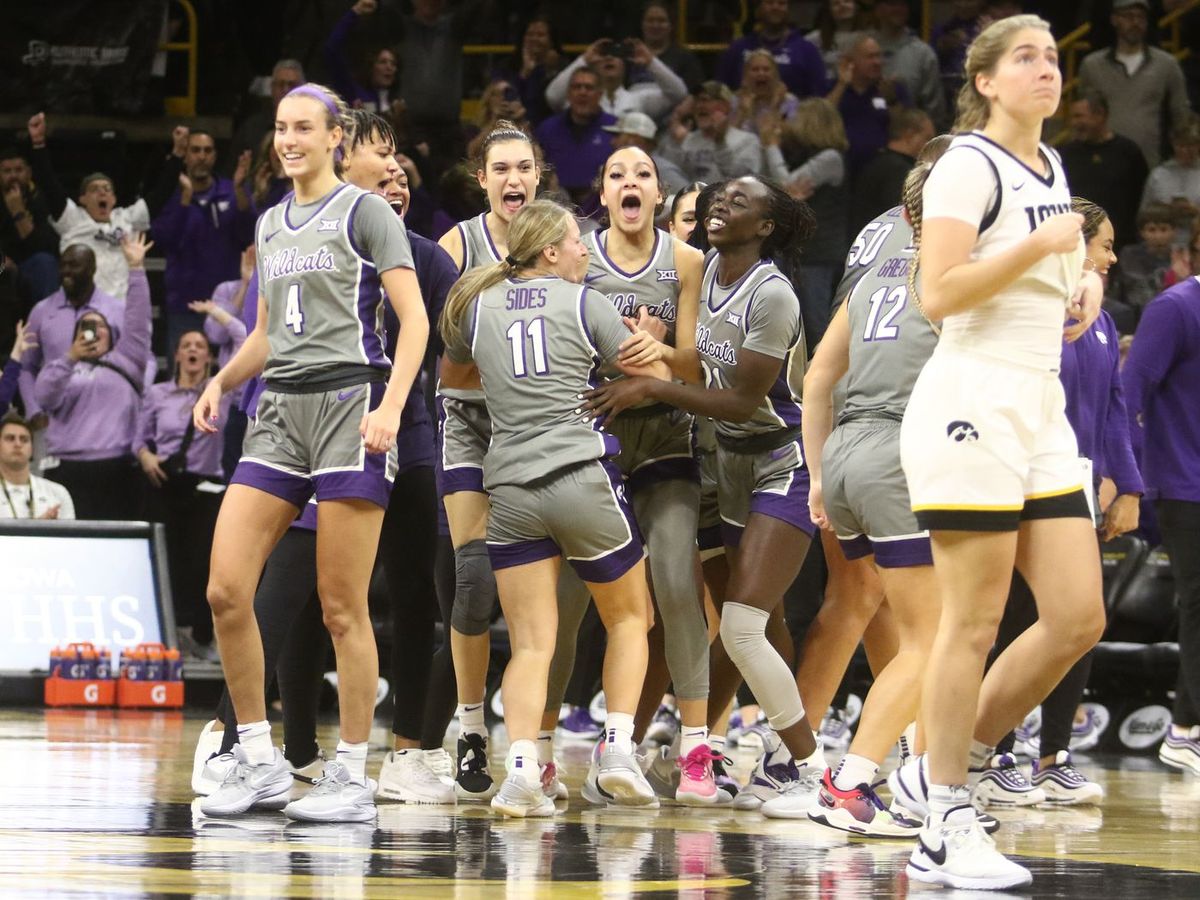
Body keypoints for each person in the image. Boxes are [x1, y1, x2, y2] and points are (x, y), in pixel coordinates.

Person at [892, 16, 1104, 890]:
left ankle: (947, 762)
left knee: (1077, 615)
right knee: (971, 622)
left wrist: (1080, 278)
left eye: (1053, 57)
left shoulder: (1052, 167)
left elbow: (1039, 268)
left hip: (1038, 401)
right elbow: (936, 293)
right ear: (984, 81)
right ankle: (943, 820)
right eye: (1026, 58)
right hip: (970, 398)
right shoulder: (965, 165)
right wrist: (1041, 248)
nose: (1046, 70)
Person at [191, 83, 429, 824]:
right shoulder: (270, 221)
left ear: (336, 136)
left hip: (350, 403)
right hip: (279, 411)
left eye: (303, 128)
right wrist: (224, 381)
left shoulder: (365, 213)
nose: (288, 139)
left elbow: (415, 319)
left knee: (339, 605)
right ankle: (260, 761)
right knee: (226, 590)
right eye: (279, 128)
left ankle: (352, 773)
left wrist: (390, 407)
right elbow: (268, 330)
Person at [583, 174, 827, 818]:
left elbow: (744, 400)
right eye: (718, 199)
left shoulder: (772, 294)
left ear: (767, 227)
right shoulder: (704, 269)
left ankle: (811, 768)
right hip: (721, 466)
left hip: (778, 462)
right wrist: (654, 350)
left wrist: (653, 387)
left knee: (745, 626)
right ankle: (721, 749)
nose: (721, 206)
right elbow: (689, 358)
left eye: (739, 203)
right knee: (756, 624)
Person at [439, 198, 662, 817]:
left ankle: (519, 775)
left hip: (508, 487)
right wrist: (654, 343)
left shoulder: (477, 305)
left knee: (532, 645)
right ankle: (616, 748)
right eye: (577, 242)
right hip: (581, 476)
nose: (587, 251)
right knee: (629, 619)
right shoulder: (588, 302)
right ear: (550, 252)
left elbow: (455, 377)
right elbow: (644, 371)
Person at [801, 136, 951, 837]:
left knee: (890, 619)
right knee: (937, 635)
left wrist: (820, 473)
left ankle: (922, 775)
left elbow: (818, 376)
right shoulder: (952, 270)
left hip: (848, 451)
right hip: (899, 448)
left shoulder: (872, 272)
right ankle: (852, 781)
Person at [977, 198, 1140, 808]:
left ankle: (1055, 754)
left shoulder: (1098, 316)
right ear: (1075, 245)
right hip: (1021, 478)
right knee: (1017, 618)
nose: (1112, 256)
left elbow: (1115, 403)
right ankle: (994, 753)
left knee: (1077, 622)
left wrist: (1123, 481)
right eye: (1103, 245)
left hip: (1077, 481)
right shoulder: (1033, 308)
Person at [577, 146, 711, 803]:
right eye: (616, 175)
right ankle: (542, 750)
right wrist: (624, 353)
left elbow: (693, 371)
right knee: (573, 601)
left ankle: (694, 753)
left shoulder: (686, 262)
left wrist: (652, 355)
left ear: (659, 195)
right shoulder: (574, 255)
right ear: (601, 194)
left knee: (678, 581)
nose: (631, 183)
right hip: (591, 440)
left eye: (643, 175)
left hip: (664, 438)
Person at [436, 121, 542, 802]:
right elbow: (448, 366)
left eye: (524, 168)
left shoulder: (563, 242)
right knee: (474, 579)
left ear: (539, 177)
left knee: (546, 598)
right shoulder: (457, 246)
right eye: (501, 168)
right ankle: (471, 723)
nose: (514, 179)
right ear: (483, 179)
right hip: (471, 422)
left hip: (538, 431)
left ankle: (541, 739)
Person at [1123, 222, 1200, 778]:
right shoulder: (1175, 308)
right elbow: (1130, 393)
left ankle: (1183, 728)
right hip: (1185, 483)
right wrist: (1127, 476)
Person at [33, 235, 153, 521]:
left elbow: (137, 320)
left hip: (116, 466)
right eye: (85, 327)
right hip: (66, 468)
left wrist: (136, 268)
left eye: (100, 327)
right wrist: (70, 357)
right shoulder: (62, 367)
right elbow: (44, 396)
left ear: (113, 334)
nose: (93, 332)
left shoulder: (126, 359)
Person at [137, 330, 234, 658]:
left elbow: (241, 340)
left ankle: (202, 636)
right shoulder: (157, 393)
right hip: (165, 484)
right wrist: (145, 456)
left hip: (203, 489)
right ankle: (168, 635)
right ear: (176, 355)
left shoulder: (221, 392)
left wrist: (220, 318)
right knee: (166, 559)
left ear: (208, 357)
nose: (193, 350)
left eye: (200, 346)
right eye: (186, 345)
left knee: (203, 563)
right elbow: (137, 437)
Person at [150, 128, 256, 355]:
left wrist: (240, 192)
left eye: (207, 150)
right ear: (186, 155)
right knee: (183, 379)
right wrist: (185, 201)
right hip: (184, 305)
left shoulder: (231, 190)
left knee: (229, 380)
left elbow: (248, 237)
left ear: (215, 156)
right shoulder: (171, 193)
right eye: (195, 150)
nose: (201, 156)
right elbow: (163, 240)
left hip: (227, 304)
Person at [26, 113, 149, 301]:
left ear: (114, 199)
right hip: (82, 306)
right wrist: (38, 143)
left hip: (122, 307)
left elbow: (159, 197)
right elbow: (49, 184)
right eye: (94, 189)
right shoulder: (73, 219)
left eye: (107, 189)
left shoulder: (127, 218)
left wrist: (178, 155)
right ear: (82, 198)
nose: (102, 193)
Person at [763, 98, 851, 346]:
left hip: (818, 254)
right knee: (791, 323)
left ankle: (827, 382)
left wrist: (771, 146)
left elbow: (785, 186)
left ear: (812, 122)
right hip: (798, 251)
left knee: (815, 325)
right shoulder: (801, 155)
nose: (790, 124)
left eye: (796, 118)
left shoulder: (831, 158)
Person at [18, 245, 123, 430]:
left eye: (74, 265)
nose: (66, 271)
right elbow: (26, 366)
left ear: (92, 269)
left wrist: (133, 398)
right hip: (53, 419)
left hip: (104, 418)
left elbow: (143, 360)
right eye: (63, 265)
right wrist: (33, 410)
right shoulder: (41, 311)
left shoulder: (116, 310)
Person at [1078, 0, 1191, 168]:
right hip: (1103, 165)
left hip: (1150, 164)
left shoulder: (1167, 64)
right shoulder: (1093, 65)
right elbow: (1084, 119)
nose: (1135, 22)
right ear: (1115, 19)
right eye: (1129, 16)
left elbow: (1181, 116)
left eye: (1141, 17)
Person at [191, 247, 253, 477]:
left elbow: (251, 338)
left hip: (264, 394)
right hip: (234, 399)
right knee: (232, 469)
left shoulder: (278, 287)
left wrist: (216, 311)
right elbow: (217, 336)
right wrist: (245, 286)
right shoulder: (226, 289)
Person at [1059, 94, 1150, 251]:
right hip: (1077, 240)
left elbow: (1141, 195)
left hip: (1121, 242)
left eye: (1079, 116)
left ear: (1100, 115)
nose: (1074, 123)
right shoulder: (1065, 154)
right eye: (1072, 117)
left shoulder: (1128, 152)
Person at [827, 35, 913, 180]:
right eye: (870, 57)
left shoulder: (893, 90)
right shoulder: (834, 87)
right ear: (850, 62)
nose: (877, 62)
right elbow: (821, 121)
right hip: (842, 169)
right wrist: (842, 84)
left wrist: (891, 101)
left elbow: (905, 133)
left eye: (879, 56)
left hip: (883, 172)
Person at [544, 37, 688, 123]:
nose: (609, 58)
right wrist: (584, 60)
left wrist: (650, 62)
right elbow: (552, 96)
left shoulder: (639, 97)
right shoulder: (584, 98)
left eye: (615, 55)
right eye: (604, 55)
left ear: (625, 65)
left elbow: (679, 93)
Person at [535, 67, 617, 213]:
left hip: (604, 209)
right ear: (568, 94)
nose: (582, 92)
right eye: (576, 87)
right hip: (555, 208)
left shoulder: (616, 128)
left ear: (600, 94)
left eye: (589, 87)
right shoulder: (547, 129)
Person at [850, 108, 935, 238]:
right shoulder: (899, 170)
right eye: (927, 138)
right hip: (884, 245)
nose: (930, 145)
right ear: (909, 134)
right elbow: (901, 215)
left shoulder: (876, 162)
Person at [716, 0, 827, 100]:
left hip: (793, 118)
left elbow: (818, 98)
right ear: (758, 8)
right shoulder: (738, 48)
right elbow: (721, 93)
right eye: (769, 2)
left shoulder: (806, 50)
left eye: (781, 3)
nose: (775, 7)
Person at [661, 81, 764, 183]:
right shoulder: (688, 139)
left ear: (725, 106)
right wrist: (674, 141)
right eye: (697, 101)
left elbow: (742, 180)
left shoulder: (748, 140)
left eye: (706, 100)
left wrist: (720, 142)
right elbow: (669, 176)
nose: (700, 106)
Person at [874, 0, 948, 129]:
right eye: (892, 4)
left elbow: (935, 112)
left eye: (903, 4)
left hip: (910, 138)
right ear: (878, 9)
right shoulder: (863, 48)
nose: (898, 9)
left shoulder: (923, 54)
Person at [0, 146, 59, 303]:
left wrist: (18, 212)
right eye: (7, 171)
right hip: (3, 264)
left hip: (30, 266)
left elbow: (46, 246)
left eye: (18, 170)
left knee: (46, 263)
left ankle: (49, 322)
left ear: (28, 173)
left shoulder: (40, 199)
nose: (13, 176)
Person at [324, 1, 398, 114]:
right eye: (383, 62)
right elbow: (332, 49)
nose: (389, 67)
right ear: (371, 66)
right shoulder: (353, 92)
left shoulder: (396, 101)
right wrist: (355, 12)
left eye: (393, 63)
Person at [0, 413, 74, 520]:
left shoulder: (58, 493)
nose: (18, 444)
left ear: (32, 448)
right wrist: (39, 527)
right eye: (10, 438)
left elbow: (70, 536)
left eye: (24, 439)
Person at [1110, 202, 1174, 324]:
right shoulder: (1130, 254)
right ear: (1142, 232)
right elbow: (1139, 294)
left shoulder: (1182, 256)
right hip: (1134, 315)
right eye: (1151, 230)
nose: (1158, 236)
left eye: (1164, 229)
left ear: (1173, 231)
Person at [231, 59, 306, 161]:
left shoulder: (315, 128)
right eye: (280, 84)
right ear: (272, 88)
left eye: (291, 85)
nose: (285, 90)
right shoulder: (251, 129)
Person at [496, 16, 564, 127]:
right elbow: (505, 98)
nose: (534, 39)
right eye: (530, 34)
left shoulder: (561, 67)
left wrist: (550, 71)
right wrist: (524, 73)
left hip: (549, 126)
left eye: (540, 35)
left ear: (551, 41)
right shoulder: (508, 65)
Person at [602, 113, 689, 196]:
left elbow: (690, 200)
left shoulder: (662, 170)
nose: (612, 142)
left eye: (618, 135)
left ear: (634, 140)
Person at [1139, 117, 1200, 229]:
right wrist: (1166, 211)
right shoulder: (1158, 175)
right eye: (1181, 146)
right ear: (1173, 144)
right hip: (1163, 241)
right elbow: (1144, 215)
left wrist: (1196, 210)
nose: (1185, 151)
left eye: (1190, 146)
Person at [731, 50, 801, 139]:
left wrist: (775, 107)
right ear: (745, 76)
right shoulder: (735, 101)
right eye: (755, 69)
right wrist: (742, 112)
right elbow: (728, 140)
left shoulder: (789, 101)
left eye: (766, 69)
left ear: (776, 76)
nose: (761, 73)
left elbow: (792, 139)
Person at [639, 1, 704, 93]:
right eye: (650, 20)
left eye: (661, 21)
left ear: (670, 26)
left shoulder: (685, 58)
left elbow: (696, 93)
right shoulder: (630, 57)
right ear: (642, 24)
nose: (655, 25)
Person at [805, 0, 872, 85]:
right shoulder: (815, 38)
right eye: (836, 3)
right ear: (829, 10)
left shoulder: (869, 36)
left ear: (856, 6)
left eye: (847, 1)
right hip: (827, 90)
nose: (842, 5)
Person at [466, 81, 534, 162]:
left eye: (507, 93)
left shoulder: (523, 124)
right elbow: (472, 153)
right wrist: (496, 121)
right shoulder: (474, 128)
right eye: (498, 94)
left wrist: (521, 122)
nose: (502, 98)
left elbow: (535, 155)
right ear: (489, 99)